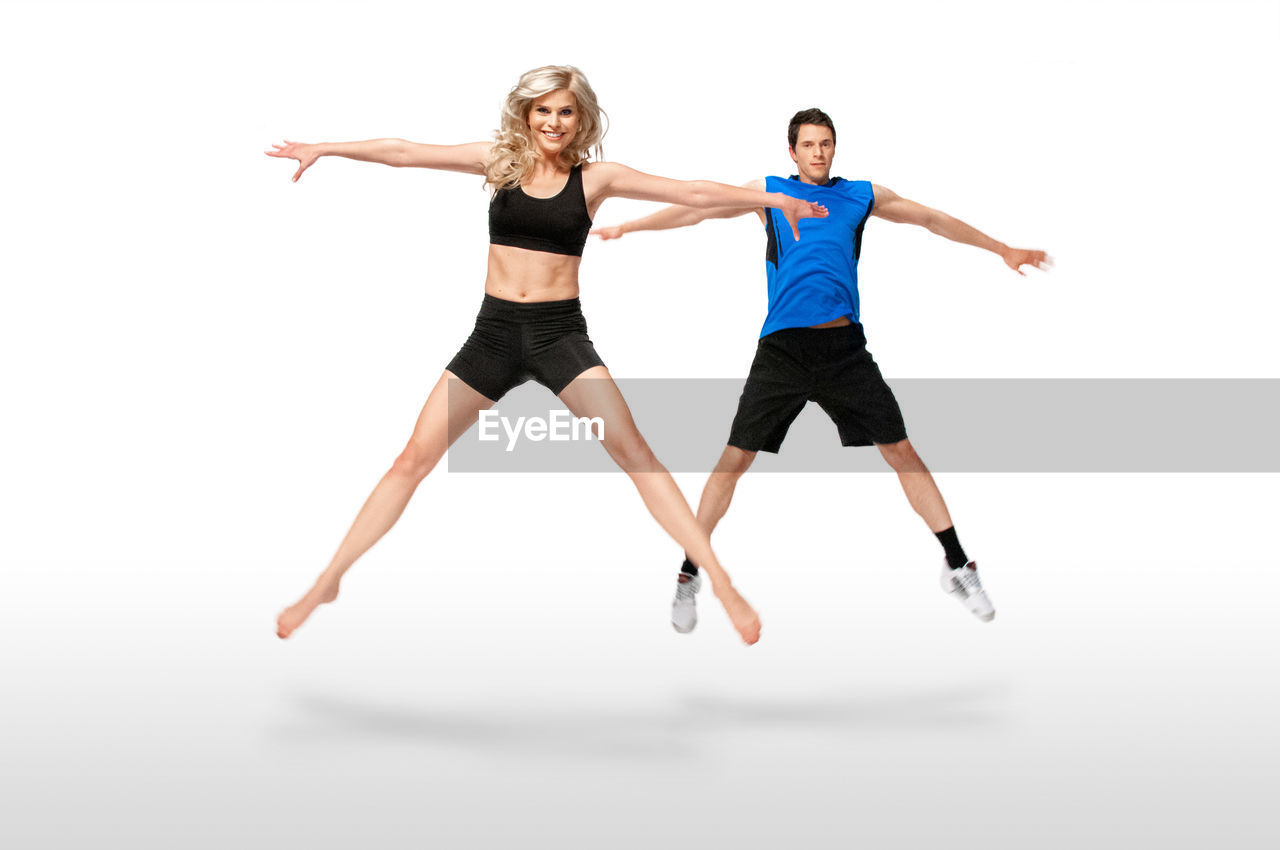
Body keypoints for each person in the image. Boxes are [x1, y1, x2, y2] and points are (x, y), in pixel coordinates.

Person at [265, 66, 828, 645]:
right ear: (525, 114)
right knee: (412, 459)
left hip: (559, 336)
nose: (553, 122)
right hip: (494, 335)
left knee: (636, 453)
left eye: (565, 112)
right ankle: (327, 580)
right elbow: (405, 152)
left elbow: (690, 192)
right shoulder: (498, 162)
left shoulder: (595, 178)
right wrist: (325, 148)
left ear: (580, 118)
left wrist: (772, 198)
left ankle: (721, 582)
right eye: (543, 111)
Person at [592, 107, 1050, 631]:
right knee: (734, 459)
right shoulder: (770, 195)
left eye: (825, 143)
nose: (817, 152)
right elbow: (698, 210)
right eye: (808, 144)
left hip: (844, 351)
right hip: (783, 351)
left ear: (834, 148)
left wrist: (1001, 249)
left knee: (900, 450)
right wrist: (630, 225)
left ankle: (957, 565)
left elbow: (931, 219)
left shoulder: (860, 195)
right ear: (792, 151)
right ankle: (689, 575)